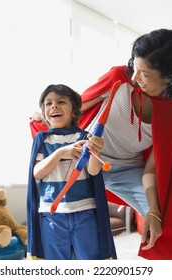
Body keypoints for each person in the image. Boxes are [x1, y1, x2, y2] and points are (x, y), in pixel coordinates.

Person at [30, 29, 172, 260]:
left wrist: (154, 212)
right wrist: (45, 116)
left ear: (170, 77)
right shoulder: (120, 78)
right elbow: (79, 107)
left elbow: (152, 168)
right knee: (67, 221)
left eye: (145, 73)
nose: (135, 78)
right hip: (83, 158)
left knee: (166, 223)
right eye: (135, 68)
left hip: (127, 170)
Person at [26, 84, 117, 260]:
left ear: (74, 111)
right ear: (44, 112)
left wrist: (95, 152)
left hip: (84, 212)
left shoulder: (84, 138)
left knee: (91, 259)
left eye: (61, 102)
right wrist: (61, 153)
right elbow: (36, 173)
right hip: (52, 215)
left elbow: (93, 170)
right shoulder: (42, 139)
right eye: (48, 103)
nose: (54, 106)